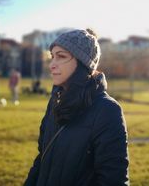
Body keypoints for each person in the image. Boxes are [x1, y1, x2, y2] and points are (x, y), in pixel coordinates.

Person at [24, 29, 129, 186]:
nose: (52, 64)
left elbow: (113, 180)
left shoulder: (107, 110)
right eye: (52, 56)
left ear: (82, 62)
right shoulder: (55, 102)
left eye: (61, 56)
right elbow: (42, 159)